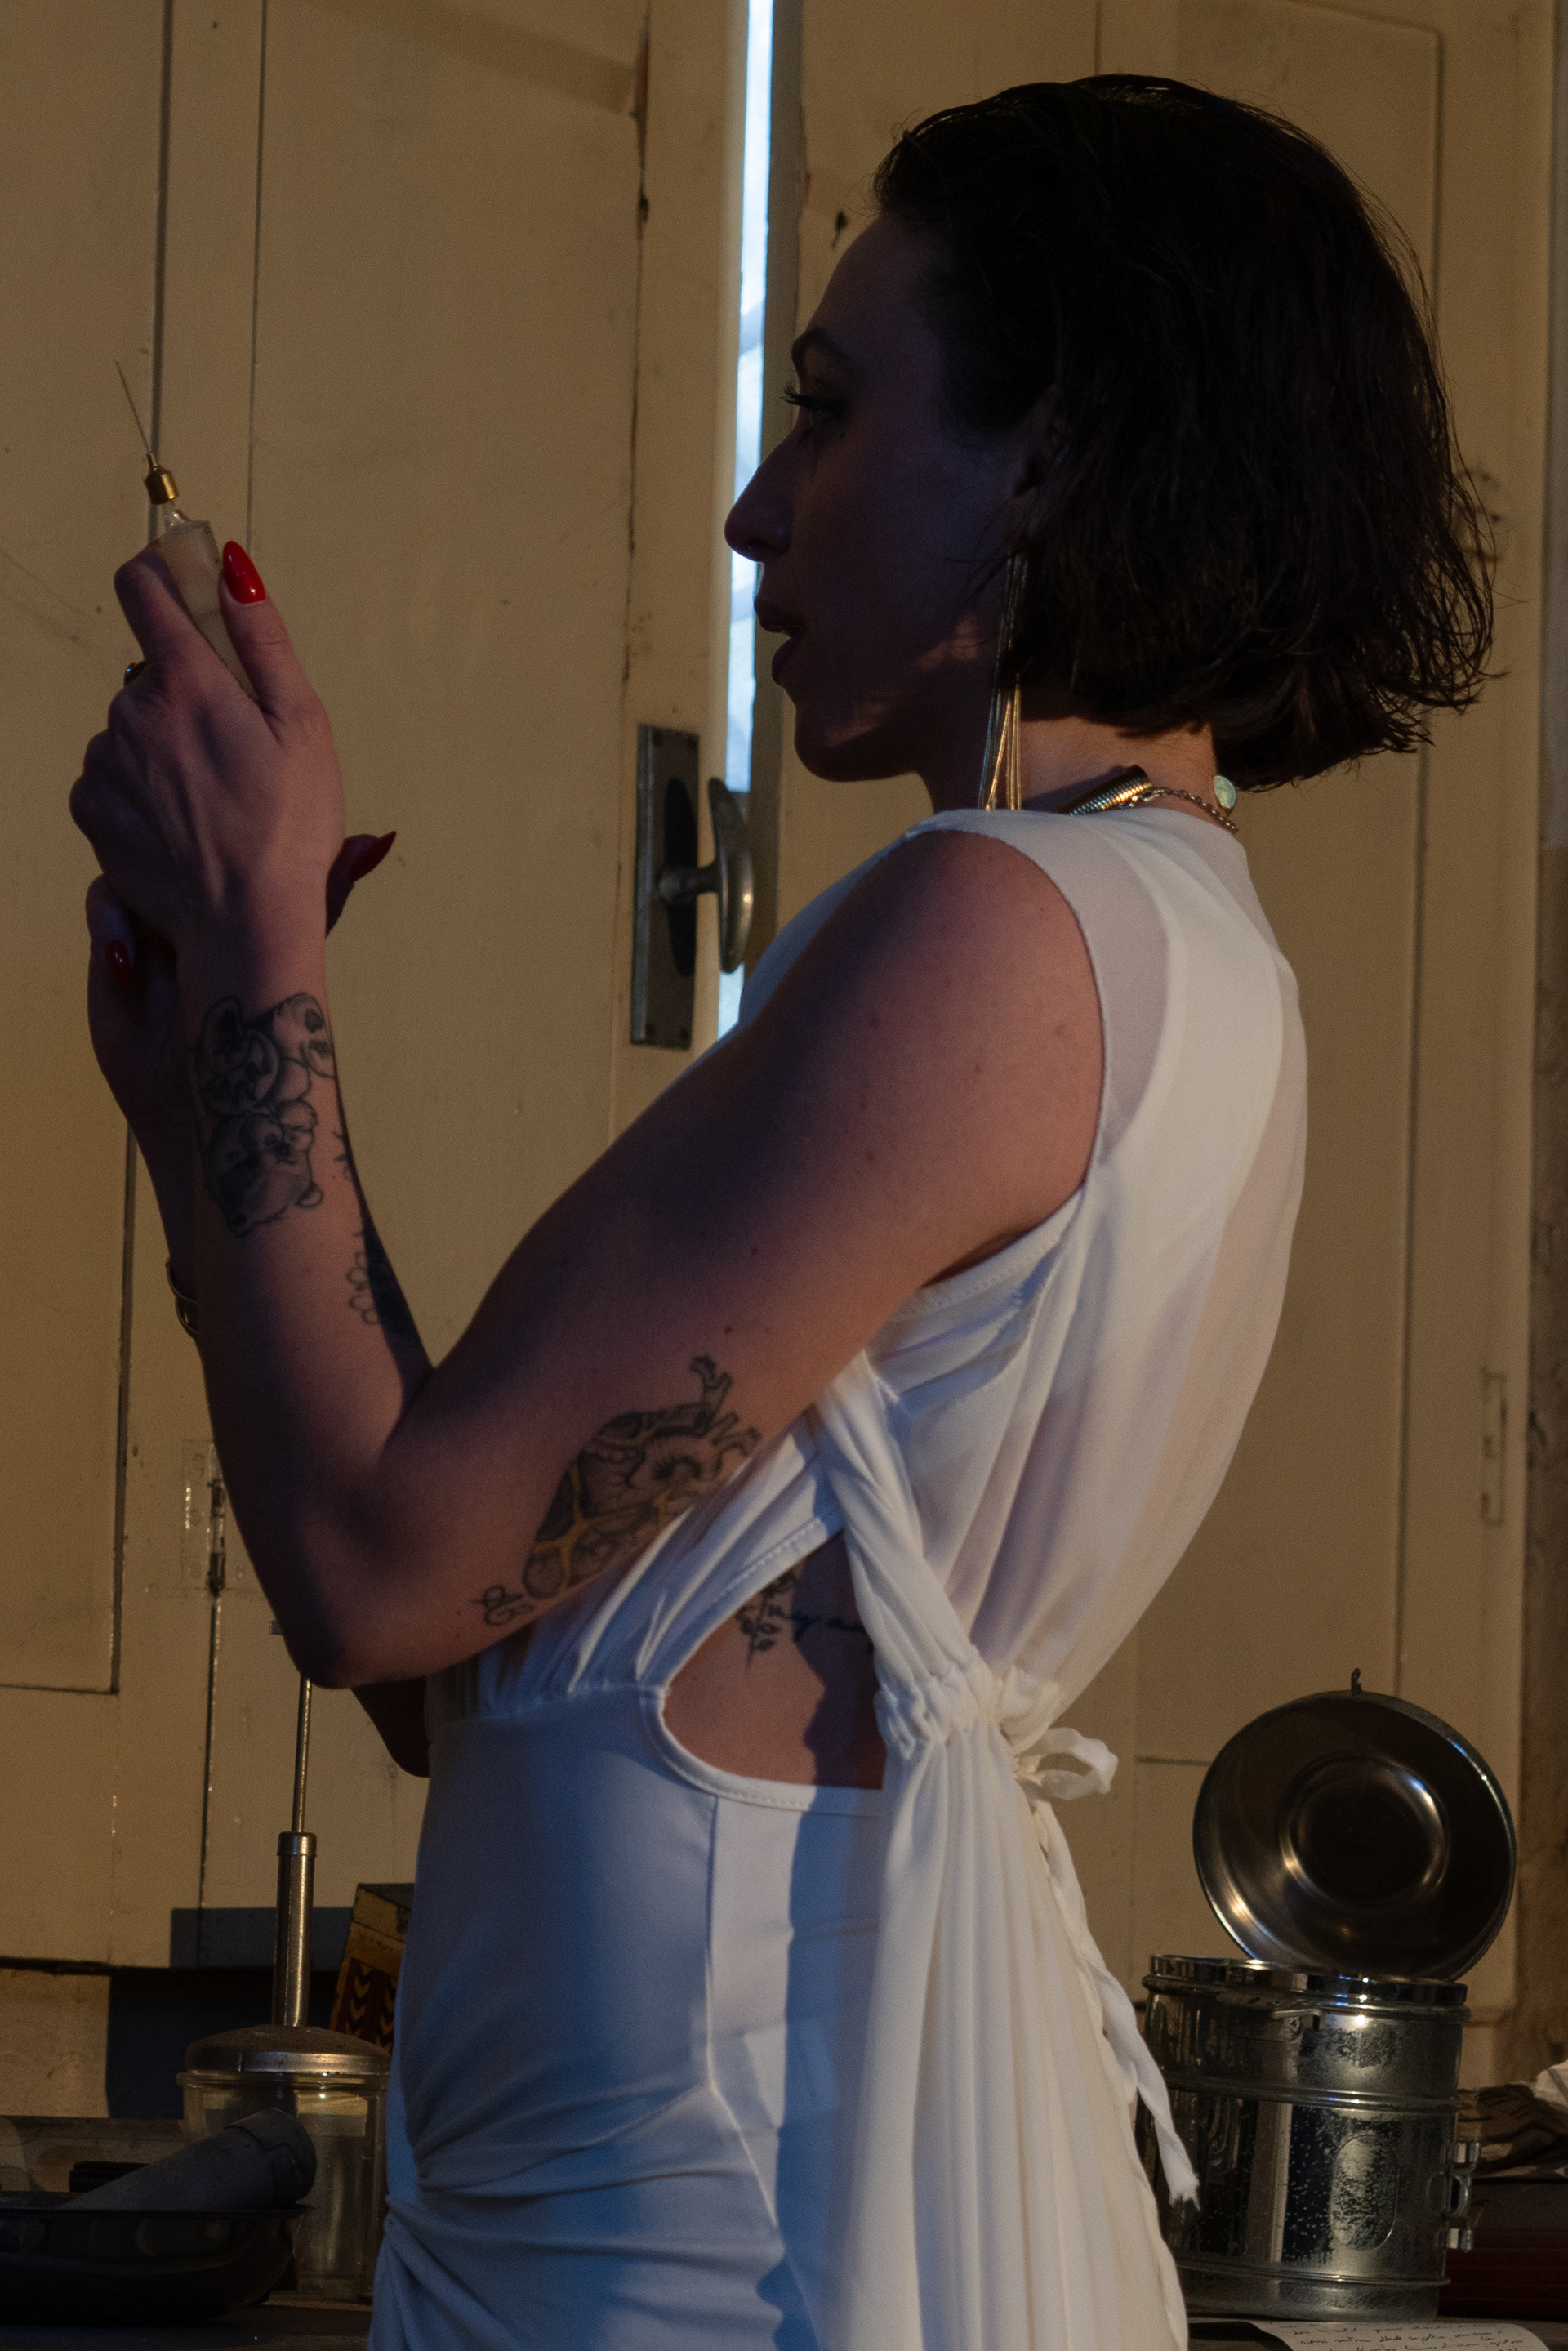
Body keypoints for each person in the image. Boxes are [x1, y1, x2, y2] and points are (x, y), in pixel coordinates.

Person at [70, 74, 1490, 2351]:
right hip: (682, 2222)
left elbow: (374, 1573)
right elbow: (464, 1653)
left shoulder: (997, 932)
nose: (753, 511)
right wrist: (202, 1102)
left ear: (1047, 460)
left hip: (720, 2255)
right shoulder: (1162, 940)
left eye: (829, 409)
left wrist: (262, 959)